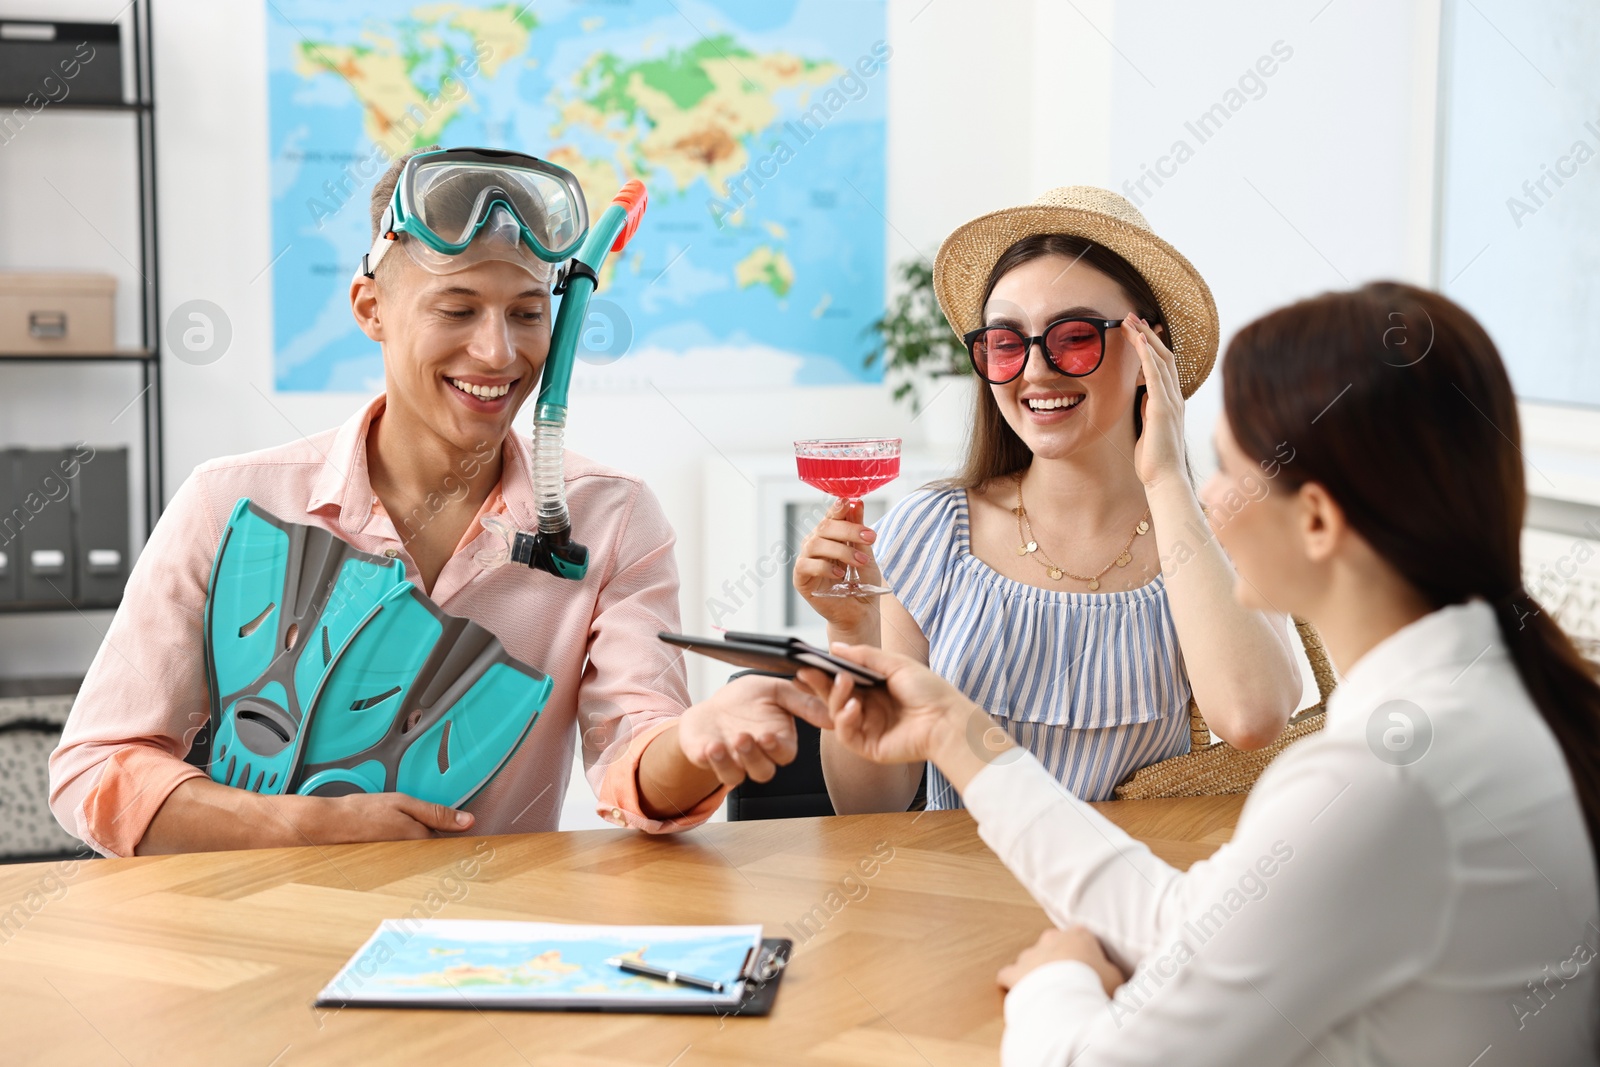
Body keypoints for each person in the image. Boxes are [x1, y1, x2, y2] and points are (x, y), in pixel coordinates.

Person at [797, 281, 1600, 1064]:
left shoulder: (1374, 780)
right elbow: (1191, 914)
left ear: (1316, 518)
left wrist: (1058, 977)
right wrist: (951, 727)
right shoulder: (1485, 700)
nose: (1212, 499)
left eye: (1226, 467)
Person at [49, 146, 828, 856]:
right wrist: (302, 825)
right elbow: (94, 770)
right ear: (370, 309)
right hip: (252, 949)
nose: (498, 352)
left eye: (527, 312)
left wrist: (700, 740)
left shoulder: (612, 519)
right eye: (456, 310)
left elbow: (636, 759)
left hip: (483, 952)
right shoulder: (232, 502)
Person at [794, 187, 1301, 812]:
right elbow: (869, 808)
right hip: (958, 898)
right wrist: (851, 632)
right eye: (1008, 342)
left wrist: (1166, 480)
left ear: (1150, 353)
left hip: (1138, 899)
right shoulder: (932, 532)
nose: (1036, 370)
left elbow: (1252, 718)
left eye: (1075, 336)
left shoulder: (1213, 532)